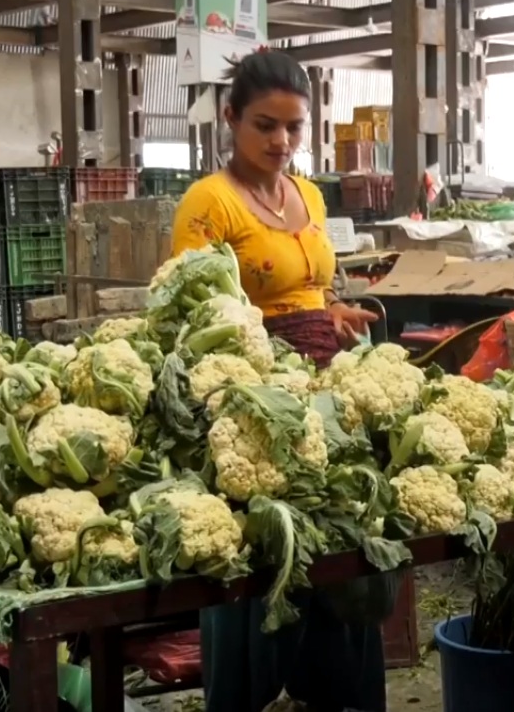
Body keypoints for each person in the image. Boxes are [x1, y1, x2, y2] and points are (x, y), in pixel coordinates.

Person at [168, 48, 383, 712]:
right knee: (259, 551)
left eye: (293, 127)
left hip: (326, 390)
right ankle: (247, 695)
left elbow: (311, 287)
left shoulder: (310, 194)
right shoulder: (207, 203)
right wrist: (272, 348)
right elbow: (194, 314)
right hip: (250, 400)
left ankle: (338, 696)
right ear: (229, 118)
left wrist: (333, 313)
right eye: (265, 125)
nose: (281, 141)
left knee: (343, 546)